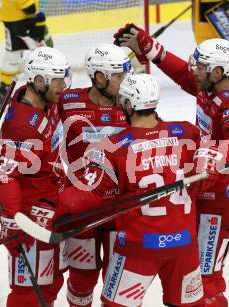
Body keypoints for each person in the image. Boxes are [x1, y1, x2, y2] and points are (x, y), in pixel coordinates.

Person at [113, 24, 229, 306]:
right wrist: (150, 48)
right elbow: (182, 73)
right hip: (209, 189)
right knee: (198, 276)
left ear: (218, 72)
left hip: (223, 198)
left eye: (201, 67)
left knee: (205, 278)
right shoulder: (210, 87)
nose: (196, 70)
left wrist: (214, 153)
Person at [59, 73, 207, 306]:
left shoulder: (113, 147)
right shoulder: (187, 133)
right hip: (184, 246)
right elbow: (218, 165)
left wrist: (50, 206)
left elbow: (86, 195)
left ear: (127, 104)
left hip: (138, 249)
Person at [0, 46, 71, 306]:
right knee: (29, 295)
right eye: (57, 79)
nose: (62, 86)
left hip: (52, 199)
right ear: (39, 80)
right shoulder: (24, 124)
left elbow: (11, 145)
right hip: (31, 213)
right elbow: (7, 178)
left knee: (52, 280)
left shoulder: (34, 96)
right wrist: (14, 222)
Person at [58, 43, 132, 307]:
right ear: (99, 77)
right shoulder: (67, 102)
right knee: (82, 279)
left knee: (117, 280)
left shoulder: (132, 104)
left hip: (120, 209)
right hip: (81, 209)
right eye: (120, 77)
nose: (126, 83)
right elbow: (39, 135)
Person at [0, 0, 53, 104]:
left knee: (13, 54)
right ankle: (49, 89)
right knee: (46, 51)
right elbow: (28, 6)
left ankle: (4, 90)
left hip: (8, 16)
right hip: (23, 16)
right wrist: (30, 9)